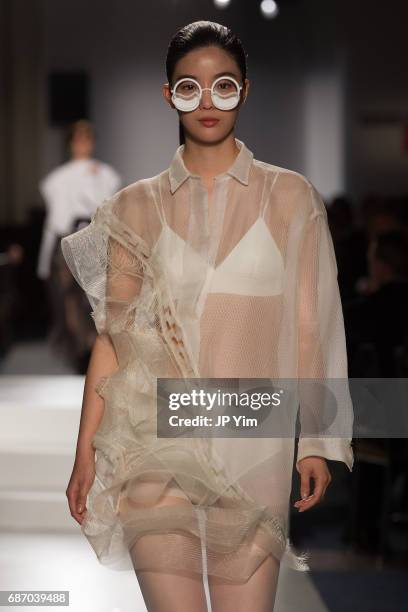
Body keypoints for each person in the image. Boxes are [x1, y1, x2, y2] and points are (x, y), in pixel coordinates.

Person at [61, 21, 354, 612]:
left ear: (244, 90)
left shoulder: (291, 198)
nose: (207, 100)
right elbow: (114, 340)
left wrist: (317, 440)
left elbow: (313, 325)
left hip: (253, 439)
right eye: (189, 87)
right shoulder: (133, 207)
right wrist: (86, 446)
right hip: (153, 438)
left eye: (222, 85)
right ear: (169, 96)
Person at [36, 120, 121, 365]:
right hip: (66, 241)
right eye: (78, 138)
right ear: (70, 143)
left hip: (96, 240)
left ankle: (91, 348)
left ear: (92, 141)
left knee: (96, 297)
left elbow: (108, 211)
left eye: (87, 137)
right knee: (68, 298)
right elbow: (53, 222)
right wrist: (43, 262)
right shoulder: (56, 179)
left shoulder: (106, 175)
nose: (83, 143)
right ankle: (80, 351)